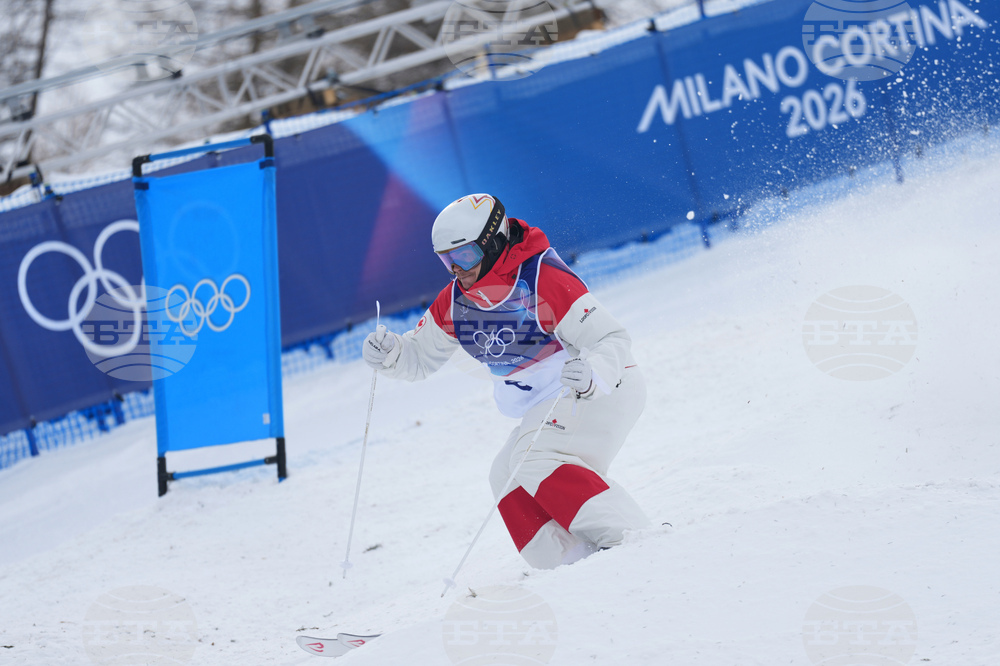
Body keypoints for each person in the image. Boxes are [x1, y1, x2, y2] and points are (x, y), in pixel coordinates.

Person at [362, 194, 650, 569]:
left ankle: (631, 538)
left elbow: (610, 338)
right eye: (445, 260)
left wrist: (593, 374)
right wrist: (391, 354)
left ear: (492, 242)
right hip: (551, 403)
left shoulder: (540, 279)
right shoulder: (456, 302)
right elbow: (418, 358)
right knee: (505, 476)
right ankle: (569, 564)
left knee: (535, 457)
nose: (455, 270)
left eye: (463, 256)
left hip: (601, 388)